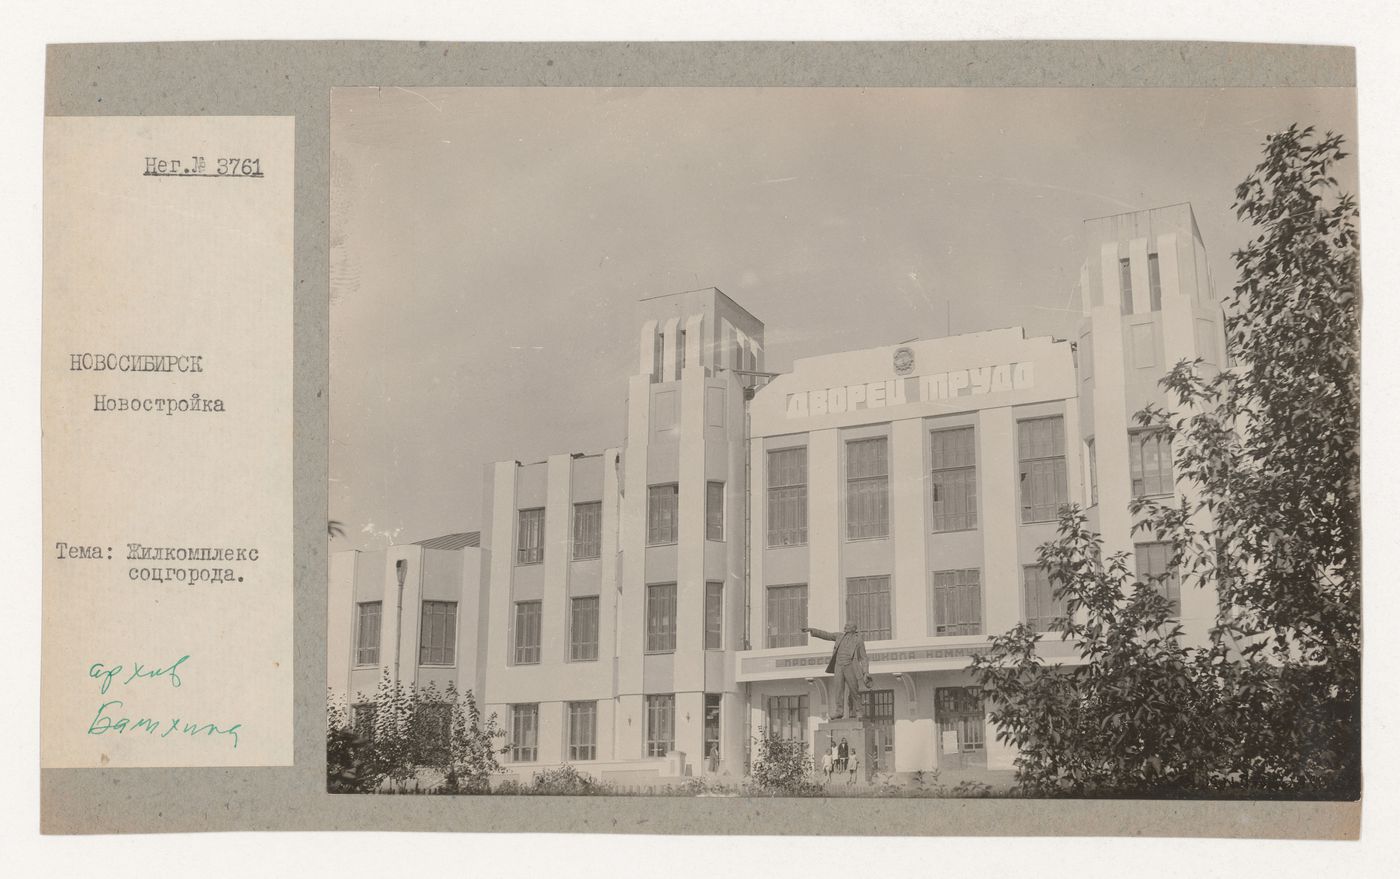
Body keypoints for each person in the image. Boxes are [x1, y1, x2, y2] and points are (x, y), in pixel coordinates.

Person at [803, 621, 873, 719]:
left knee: (854, 690)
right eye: (845, 625)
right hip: (839, 666)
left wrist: (866, 672)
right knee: (838, 690)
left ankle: (859, 711)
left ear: (854, 629)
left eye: (848, 625)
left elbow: (864, 657)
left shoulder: (858, 640)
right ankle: (839, 711)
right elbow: (827, 635)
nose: (845, 626)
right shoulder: (839, 636)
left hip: (850, 666)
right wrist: (813, 630)